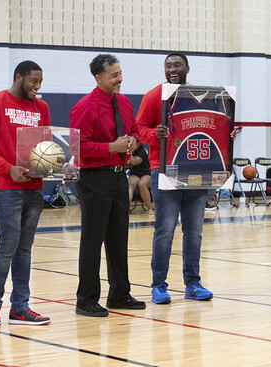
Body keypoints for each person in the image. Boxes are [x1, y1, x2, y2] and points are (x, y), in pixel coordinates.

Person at [0, 60, 51, 326]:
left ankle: (20, 307)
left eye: (40, 82)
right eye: (33, 81)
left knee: (25, 250)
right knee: (7, 247)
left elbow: (45, 147)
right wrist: (8, 169)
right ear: (19, 77)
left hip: (34, 187)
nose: (37, 87)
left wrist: (58, 166)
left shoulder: (42, 107)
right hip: (6, 186)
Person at [70, 54, 146, 317]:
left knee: (118, 238)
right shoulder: (84, 106)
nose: (120, 79)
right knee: (92, 241)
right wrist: (109, 147)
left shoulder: (124, 102)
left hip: (118, 176)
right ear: (99, 77)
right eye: (114, 75)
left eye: (120, 73)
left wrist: (134, 141)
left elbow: (135, 130)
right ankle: (86, 300)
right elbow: (77, 147)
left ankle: (120, 294)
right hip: (94, 179)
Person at [136, 51, 213, 304]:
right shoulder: (153, 96)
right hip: (164, 169)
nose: (172, 69)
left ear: (187, 68)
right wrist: (153, 134)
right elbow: (138, 130)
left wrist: (226, 137)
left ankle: (193, 283)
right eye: (168, 65)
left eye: (177, 64)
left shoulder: (199, 95)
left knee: (195, 233)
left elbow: (210, 125)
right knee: (165, 231)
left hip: (196, 170)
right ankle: (158, 285)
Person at [128, 145, 154, 214]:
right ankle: (125, 208)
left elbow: (135, 161)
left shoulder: (142, 151)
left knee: (142, 184)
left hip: (146, 174)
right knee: (130, 184)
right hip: (134, 174)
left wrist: (127, 152)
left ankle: (150, 208)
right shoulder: (129, 151)